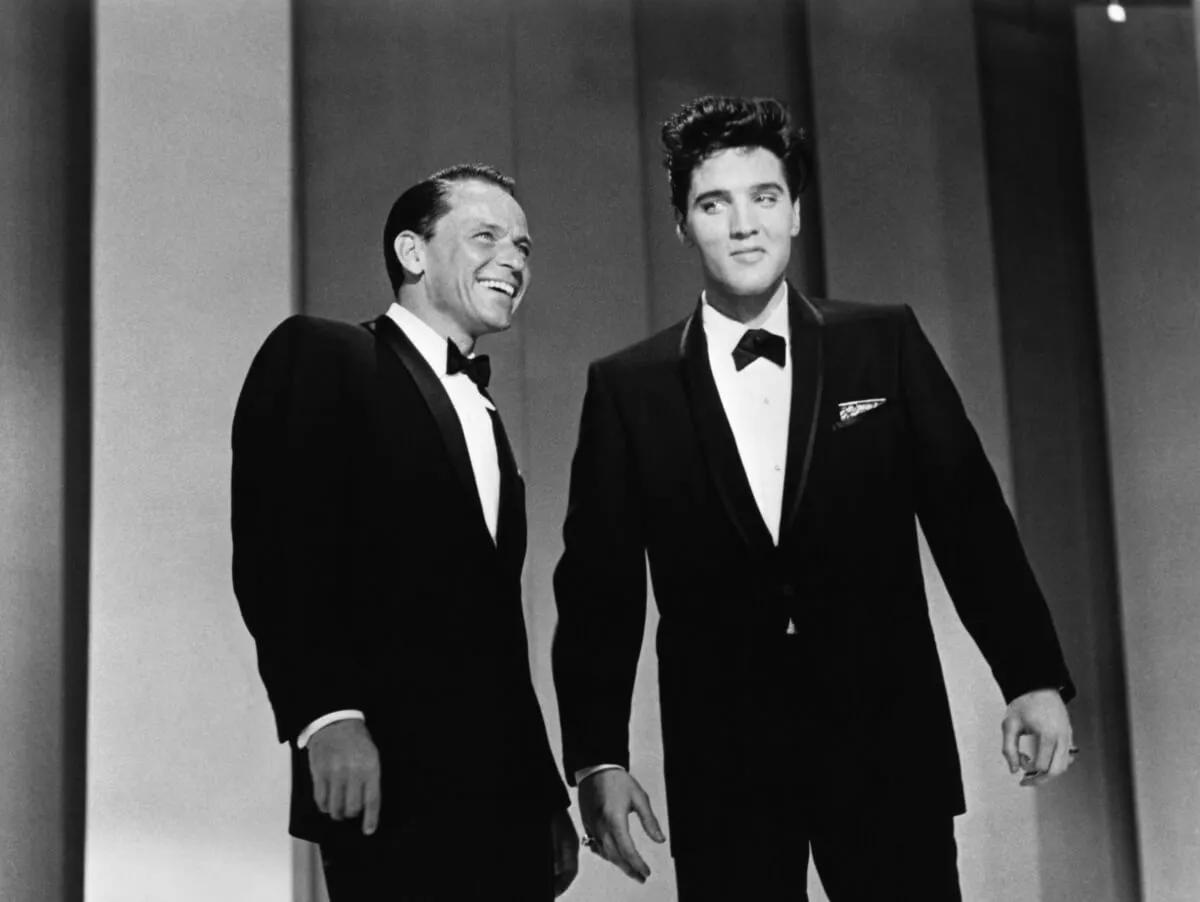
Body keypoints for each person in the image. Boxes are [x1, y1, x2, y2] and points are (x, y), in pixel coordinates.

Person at [551, 96, 1077, 901]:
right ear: (682, 226)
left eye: (764, 197)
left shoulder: (884, 342)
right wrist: (598, 758)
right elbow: (598, 592)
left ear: (795, 212)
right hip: (725, 767)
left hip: (886, 746)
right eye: (713, 204)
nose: (743, 225)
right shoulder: (628, 388)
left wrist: (1032, 677)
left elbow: (970, 522)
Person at [232, 163, 577, 901]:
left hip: (505, 797)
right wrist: (327, 715)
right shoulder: (324, 354)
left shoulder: (483, 414)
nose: (514, 259)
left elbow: (496, 624)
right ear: (412, 253)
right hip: (387, 773)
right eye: (486, 235)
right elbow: (279, 548)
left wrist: (543, 785)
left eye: (524, 245)